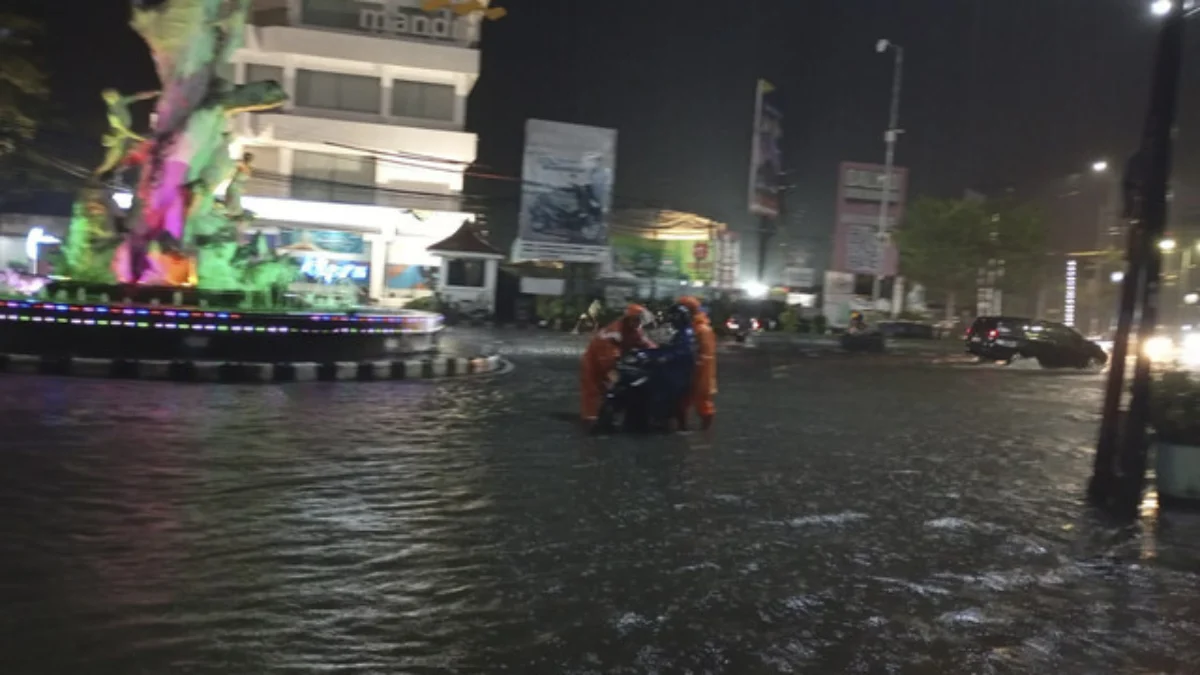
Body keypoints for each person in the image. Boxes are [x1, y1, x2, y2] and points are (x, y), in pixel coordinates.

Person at [579, 303, 655, 423]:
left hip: (607, 359)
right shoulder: (615, 332)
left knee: (609, 389)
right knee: (593, 389)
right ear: (630, 319)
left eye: (639, 321)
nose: (638, 324)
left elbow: (645, 343)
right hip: (593, 362)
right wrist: (612, 370)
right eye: (636, 320)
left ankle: (606, 415)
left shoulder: (634, 329)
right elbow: (608, 357)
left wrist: (657, 352)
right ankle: (591, 419)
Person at [639, 303, 697, 429]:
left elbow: (681, 351)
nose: (671, 320)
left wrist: (663, 357)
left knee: (667, 394)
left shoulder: (686, 333)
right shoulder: (679, 331)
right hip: (674, 370)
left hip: (677, 372)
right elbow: (666, 346)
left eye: (673, 317)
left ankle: (665, 419)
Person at [678, 296, 717, 430]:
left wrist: (698, 364)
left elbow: (706, 353)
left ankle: (705, 427)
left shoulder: (702, 329)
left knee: (702, 398)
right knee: (682, 397)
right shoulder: (688, 326)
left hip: (700, 367)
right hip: (687, 366)